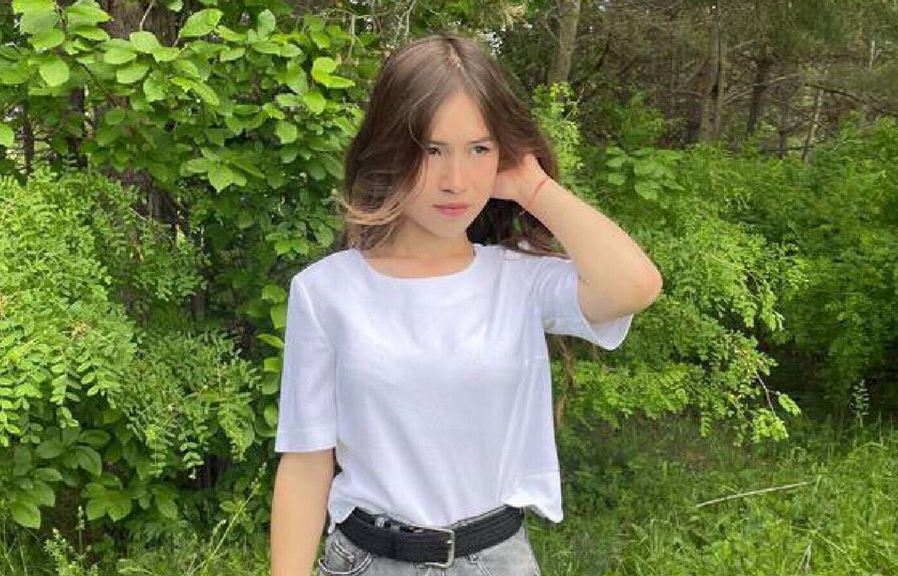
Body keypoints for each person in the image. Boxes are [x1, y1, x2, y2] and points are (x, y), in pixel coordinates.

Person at [269, 34, 662, 576]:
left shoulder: (519, 281)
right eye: (432, 150)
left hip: (495, 560)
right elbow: (306, 462)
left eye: (479, 149)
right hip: (365, 560)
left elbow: (635, 285)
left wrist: (532, 187)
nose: (456, 181)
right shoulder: (325, 291)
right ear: (390, 149)